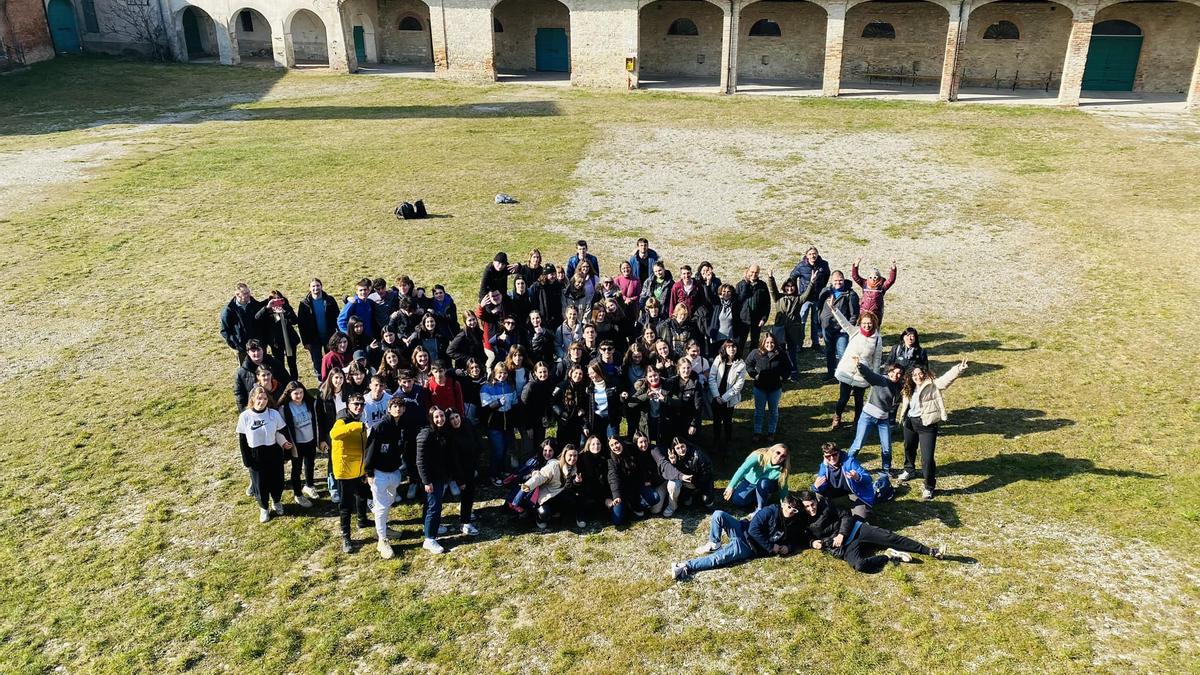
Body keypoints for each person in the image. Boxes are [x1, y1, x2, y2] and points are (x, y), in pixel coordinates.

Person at [802, 491, 945, 572]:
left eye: (812, 504)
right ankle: (889, 556)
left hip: (856, 530)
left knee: (890, 537)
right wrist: (812, 542)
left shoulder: (827, 505)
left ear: (817, 501)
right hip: (845, 547)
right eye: (807, 507)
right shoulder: (803, 520)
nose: (811, 508)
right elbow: (803, 537)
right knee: (859, 566)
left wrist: (841, 534)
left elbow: (846, 515)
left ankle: (930, 551)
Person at [671, 494, 805, 580]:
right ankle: (714, 543)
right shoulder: (769, 511)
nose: (791, 511)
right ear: (782, 504)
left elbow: (795, 540)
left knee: (718, 558)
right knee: (718, 514)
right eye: (789, 507)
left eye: (795, 510)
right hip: (743, 531)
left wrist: (788, 547)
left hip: (749, 548)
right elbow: (753, 530)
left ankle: (684, 566)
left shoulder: (794, 523)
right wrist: (771, 547)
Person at [897, 359, 968, 500]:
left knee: (927, 459)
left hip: (927, 426)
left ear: (925, 373)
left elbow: (947, 379)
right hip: (910, 422)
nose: (918, 377)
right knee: (909, 448)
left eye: (920, 374)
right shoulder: (908, 387)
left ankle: (929, 487)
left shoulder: (933, 385)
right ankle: (909, 470)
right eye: (914, 375)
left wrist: (959, 369)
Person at [236, 385, 292, 523]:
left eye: (265, 398)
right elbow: (242, 440)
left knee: (277, 481)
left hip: (273, 452)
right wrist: (247, 461)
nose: (262, 401)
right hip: (256, 454)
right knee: (260, 484)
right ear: (253, 399)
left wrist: (286, 452)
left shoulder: (273, 414)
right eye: (259, 398)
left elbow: (282, 433)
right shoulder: (245, 416)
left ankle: (277, 501)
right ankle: (264, 508)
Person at [364, 397, 408, 559]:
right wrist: (369, 473)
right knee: (381, 507)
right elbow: (371, 451)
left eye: (401, 407)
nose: (398, 409)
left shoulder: (402, 425)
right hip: (379, 473)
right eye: (395, 406)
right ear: (389, 409)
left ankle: (380, 528)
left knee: (388, 503)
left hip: (394, 472)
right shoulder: (380, 427)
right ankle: (382, 540)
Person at [329, 393, 371, 553]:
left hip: (359, 469)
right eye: (355, 404)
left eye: (361, 404)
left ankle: (362, 520)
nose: (359, 407)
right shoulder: (343, 420)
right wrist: (356, 426)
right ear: (348, 405)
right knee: (346, 505)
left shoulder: (359, 419)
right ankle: (346, 536)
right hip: (345, 471)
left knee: (362, 496)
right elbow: (334, 434)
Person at [848, 358, 904, 475]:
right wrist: (859, 365)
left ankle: (886, 469)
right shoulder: (880, 380)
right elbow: (868, 374)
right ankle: (847, 465)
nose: (896, 375)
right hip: (867, 416)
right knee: (858, 444)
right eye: (893, 372)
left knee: (887, 447)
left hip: (883, 419)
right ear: (888, 372)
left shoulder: (899, 387)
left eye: (899, 373)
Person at [831, 308, 883, 430]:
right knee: (843, 398)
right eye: (864, 323)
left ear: (874, 323)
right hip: (847, 371)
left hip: (862, 375)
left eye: (869, 323)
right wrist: (834, 309)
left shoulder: (877, 339)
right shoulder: (854, 332)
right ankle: (837, 417)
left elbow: (877, 359)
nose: (867, 325)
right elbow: (843, 322)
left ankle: (857, 421)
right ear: (860, 323)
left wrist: (874, 378)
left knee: (859, 401)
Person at [520, 444, 584, 531]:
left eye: (575, 456)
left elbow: (570, 485)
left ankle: (560, 514)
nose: (573, 458)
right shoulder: (554, 465)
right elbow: (540, 476)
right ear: (564, 455)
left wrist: (576, 482)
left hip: (560, 494)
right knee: (544, 514)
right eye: (570, 455)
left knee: (574, 500)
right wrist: (528, 485)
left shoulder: (574, 468)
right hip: (548, 495)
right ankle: (539, 517)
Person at [415, 407, 453, 554]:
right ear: (431, 418)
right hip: (430, 478)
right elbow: (420, 461)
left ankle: (429, 527)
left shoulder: (442, 432)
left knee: (431, 504)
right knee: (434, 507)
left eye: (442, 416)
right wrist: (426, 481)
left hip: (439, 475)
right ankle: (429, 539)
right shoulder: (426, 434)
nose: (440, 419)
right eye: (436, 417)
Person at [767, 269, 815, 380]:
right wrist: (770, 278)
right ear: (784, 287)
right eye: (787, 286)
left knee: (792, 352)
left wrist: (812, 281)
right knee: (779, 351)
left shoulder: (798, 299)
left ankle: (793, 373)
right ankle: (781, 373)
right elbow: (772, 290)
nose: (790, 288)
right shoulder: (778, 298)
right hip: (780, 329)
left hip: (793, 329)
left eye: (792, 286)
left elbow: (807, 294)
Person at [744, 333, 791, 443]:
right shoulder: (756, 353)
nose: (770, 345)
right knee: (759, 411)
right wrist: (755, 375)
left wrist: (782, 377)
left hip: (775, 388)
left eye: (772, 342)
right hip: (760, 387)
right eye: (767, 342)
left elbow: (788, 368)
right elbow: (748, 364)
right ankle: (757, 432)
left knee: (773, 411)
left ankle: (771, 432)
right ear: (763, 343)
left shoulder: (781, 353)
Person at [278, 381, 318, 508]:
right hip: (297, 444)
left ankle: (309, 485)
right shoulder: (284, 409)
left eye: (301, 392)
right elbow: (281, 428)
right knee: (296, 469)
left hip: (310, 440)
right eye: (296, 393)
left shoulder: (310, 403)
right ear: (289, 394)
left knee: (310, 464)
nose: (299, 395)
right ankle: (298, 493)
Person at [653, 437, 714, 517]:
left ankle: (704, 495)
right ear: (674, 449)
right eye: (677, 448)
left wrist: (695, 484)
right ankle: (685, 499)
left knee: (707, 502)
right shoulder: (673, 456)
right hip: (687, 483)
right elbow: (673, 473)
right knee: (686, 502)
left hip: (702, 481)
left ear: (686, 445)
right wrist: (673, 463)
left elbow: (707, 473)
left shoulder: (698, 454)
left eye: (682, 446)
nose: (681, 450)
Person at [812, 441, 874, 519]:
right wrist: (815, 487)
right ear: (824, 456)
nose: (832, 458)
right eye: (828, 456)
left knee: (859, 518)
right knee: (818, 492)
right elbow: (818, 487)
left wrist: (857, 477)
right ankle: (826, 512)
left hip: (855, 494)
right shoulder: (824, 466)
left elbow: (868, 479)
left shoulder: (850, 462)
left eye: (834, 455)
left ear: (839, 453)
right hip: (836, 494)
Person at [818, 271, 860, 383]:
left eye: (840, 280)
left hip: (842, 331)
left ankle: (844, 377)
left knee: (843, 354)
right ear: (831, 281)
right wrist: (819, 327)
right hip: (826, 328)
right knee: (829, 352)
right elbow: (819, 309)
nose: (838, 282)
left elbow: (854, 314)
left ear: (844, 279)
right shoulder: (825, 292)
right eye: (835, 280)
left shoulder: (850, 294)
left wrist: (847, 328)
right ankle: (831, 374)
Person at [480, 362, 518, 485]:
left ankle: (501, 471)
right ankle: (493, 474)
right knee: (498, 450)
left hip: (508, 423)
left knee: (505, 448)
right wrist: (498, 403)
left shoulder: (510, 386)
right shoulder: (486, 387)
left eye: (505, 373)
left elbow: (514, 403)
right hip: (494, 424)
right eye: (500, 373)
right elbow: (485, 408)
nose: (502, 375)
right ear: (494, 373)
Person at [724, 444, 790, 513]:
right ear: (772, 451)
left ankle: (760, 508)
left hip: (767, 484)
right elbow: (742, 470)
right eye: (778, 452)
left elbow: (783, 486)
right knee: (738, 500)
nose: (779, 457)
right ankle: (762, 497)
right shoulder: (759, 456)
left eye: (783, 456)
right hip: (751, 482)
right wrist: (731, 486)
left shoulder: (783, 469)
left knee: (763, 483)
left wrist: (785, 503)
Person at [446, 409, 482, 536]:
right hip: (460, 470)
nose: (455, 420)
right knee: (466, 492)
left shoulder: (467, 425)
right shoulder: (450, 436)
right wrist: (459, 480)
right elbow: (453, 461)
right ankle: (464, 523)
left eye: (457, 417)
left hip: (471, 466)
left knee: (469, 493)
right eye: (451, 419)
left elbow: (477, 442)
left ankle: (466, 513)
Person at [788, 246, 831, 350]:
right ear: (807, 255)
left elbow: (827, 276)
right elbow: (792, 277)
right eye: (810, 254)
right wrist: (797, 292)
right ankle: (799, 344)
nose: (813, 256)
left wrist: (821, 289)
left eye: (814, 253)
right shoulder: (801, 266)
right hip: (805, 298)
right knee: (802, 320)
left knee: (815, 321)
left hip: (818, 298)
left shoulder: (824, 264)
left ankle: (815, 343)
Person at [708, 340, 746, 451]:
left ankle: (728, 442)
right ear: (724, 348)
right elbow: (712, 377)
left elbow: (738, 385)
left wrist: (724, 398)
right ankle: (716, 441)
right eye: (728, 347)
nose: (731, 349)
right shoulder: (718, 359)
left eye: (734, 347)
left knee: (727, 421)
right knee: (716, 420)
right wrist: (716, 395)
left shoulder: (741, 364)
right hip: (717, 395)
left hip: (729, 399)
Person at [255, 290, 301, 381]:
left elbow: (295, 321)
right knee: (279, 364)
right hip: (276, 343)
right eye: (274, 300)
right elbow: (257, 318)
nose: (277, 302)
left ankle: (294, 382)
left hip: (289, 341)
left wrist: (285, 311)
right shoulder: (268, 311)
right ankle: (283, 383)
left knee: (292, 363)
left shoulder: (286, 307)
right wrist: (267, 307)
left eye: (279, 299)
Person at [234, 339, 288, 411]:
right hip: (256, 408)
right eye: (253, 351)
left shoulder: (275, 364)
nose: (256, 353)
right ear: (248, 352)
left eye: (258, 350)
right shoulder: (242, 372)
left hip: (278, 405)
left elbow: (287, 381)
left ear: (263, 350)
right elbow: (239, 394)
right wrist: (243, 411)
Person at [221, 282, 264, 364]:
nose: (248, 295)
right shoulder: (229, 310)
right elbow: (224, 331)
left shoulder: (253, 303)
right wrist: (235, 345)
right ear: (237, 295)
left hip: (257, 345)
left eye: (248, 292)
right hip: (242, 348)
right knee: (246, 371)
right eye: (245, 293)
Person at [605, 437, 642, 526]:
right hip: (620, 491)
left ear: (621, 442)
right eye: (612, 445)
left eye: (617, 443)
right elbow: (613, 478)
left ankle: (631, 505)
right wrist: (617, 495)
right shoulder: (611, 460)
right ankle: (625, 506)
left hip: (633, 487)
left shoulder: (632, 451)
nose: (615, 447)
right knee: (617, 520)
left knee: (654, 498)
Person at [584, 363, 624, 445]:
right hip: (596, 419)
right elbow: (586, 408)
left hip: (611, 419)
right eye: (589, 373)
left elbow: (619, 400)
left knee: (613, 442)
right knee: (598, 443)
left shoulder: (613, 383)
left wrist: (622, 397)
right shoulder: (589, 388)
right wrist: (586, 425)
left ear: (599, 371)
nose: (590, 376)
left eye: (592, 373)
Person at [735, 265, 771, 353]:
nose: (754, 274)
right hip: (743, 319)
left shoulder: (762, 285)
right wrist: (746, 283)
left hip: (757, 319)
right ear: (747, 272)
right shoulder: (740, 285)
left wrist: (764, 318)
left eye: (756, 272)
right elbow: (737, 302)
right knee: (740, 342)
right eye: (752, 272)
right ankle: (738, 360)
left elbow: (767, 303)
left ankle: (753, 360)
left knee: (755, 342)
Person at [851, 257, 897, 325]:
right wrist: (856, 265)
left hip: (876, 312)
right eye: (871, 277)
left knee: (875, 327)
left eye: (875, 277)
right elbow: (855, 277)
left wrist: (893, 268)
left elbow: (891, 280)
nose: (873, 279)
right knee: (862, 325)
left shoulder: (882, 286)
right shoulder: (864, 283)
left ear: (879, 277)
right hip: (864, 311)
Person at [706, 283, 745, 359]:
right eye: (724, 291)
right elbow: (709, 296)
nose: (726, 294)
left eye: (728, 291)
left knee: (729, 358)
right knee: (717, 358)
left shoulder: (735, 305)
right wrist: (708, 284)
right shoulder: (717, 304)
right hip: (717, 337)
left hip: (730, 337)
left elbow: (742, 297)